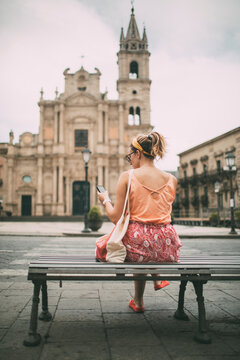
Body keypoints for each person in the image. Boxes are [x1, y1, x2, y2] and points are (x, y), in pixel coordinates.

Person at [97, 132, 182, 313]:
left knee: (117, 244)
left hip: (139, 246)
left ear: (138, 154)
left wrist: (105, 200)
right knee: (146, 243)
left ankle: (139, 300)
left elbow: (114, 217)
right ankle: (146, 290)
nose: (130, 160)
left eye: (130, 156)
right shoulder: (172, 180)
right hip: (168, 247)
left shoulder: (128, 176)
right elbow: (162, 213)